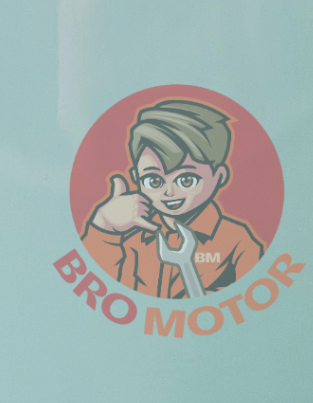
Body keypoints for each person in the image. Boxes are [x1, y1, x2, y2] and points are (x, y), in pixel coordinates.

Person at [81, 99, 264, 298]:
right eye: (153, 180)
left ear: (219, 176)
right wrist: (104, 225)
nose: (169, 192)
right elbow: (95, 291)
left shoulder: (238, 241)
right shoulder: (131, 238)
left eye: (186, 180)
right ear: (136, 178)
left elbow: (254, 301)